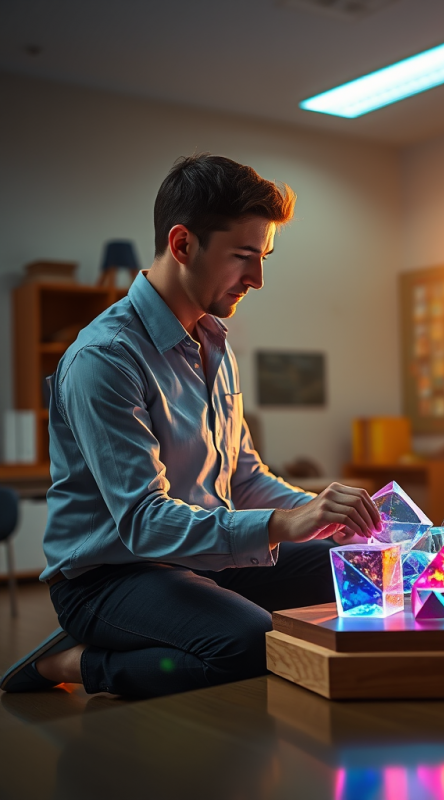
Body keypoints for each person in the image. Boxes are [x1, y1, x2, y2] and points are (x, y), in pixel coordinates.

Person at [0, 154, 382, 698]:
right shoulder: (104, 358)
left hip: (202, 556)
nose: (258, 279)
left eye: (264, 256)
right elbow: (144, 523)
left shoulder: (212, 342)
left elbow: (244, 477)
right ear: (182, 245)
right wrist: (282, 525)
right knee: (251, 643)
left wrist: (320, 513)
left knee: (355, 567)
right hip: (111, 577)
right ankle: (71, 663)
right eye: (244, 257)